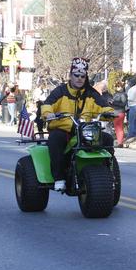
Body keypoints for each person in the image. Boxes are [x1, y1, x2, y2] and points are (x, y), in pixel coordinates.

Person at [41, 58, 116, 193]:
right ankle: (59, 178)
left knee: (107, 139)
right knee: (55, 140)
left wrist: (110, 113)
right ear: (70, 75)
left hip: (84, 130)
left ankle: (109, 173)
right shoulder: (60, 91)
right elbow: (48, 104)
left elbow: (103, 106)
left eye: (82, 76)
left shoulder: (91, 93)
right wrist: (48, 113)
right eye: (76, 75)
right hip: (63, 129)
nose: (79, 79)